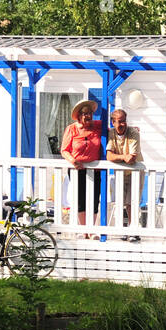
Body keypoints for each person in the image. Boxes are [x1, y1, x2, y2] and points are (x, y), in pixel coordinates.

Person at [60, 99, 102, 236]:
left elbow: (114, 129)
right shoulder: (71, 129)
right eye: (84, 113)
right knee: (80, 200)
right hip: (77, 170)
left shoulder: (97, 126)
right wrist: (73, 161)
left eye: (90, 113)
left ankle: (92, 230)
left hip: (94, 170)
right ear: (79, 116)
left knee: (94, 199)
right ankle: (84, 230)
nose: (88, 116)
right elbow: (64, 150)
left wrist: (130, 130)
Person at [105, 109, 143, 242]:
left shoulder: (133, 132)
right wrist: (122, 156)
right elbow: (109, 156)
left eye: (123, 121)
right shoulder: (110, 133)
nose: (121, 124)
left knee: (132, 202)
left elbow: (131, 158)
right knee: (121, 201)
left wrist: (120, 157)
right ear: (113, 122)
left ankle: (133, 230)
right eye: (118, 122)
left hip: (135, 172)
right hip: (120, 173)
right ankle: (123, 230)